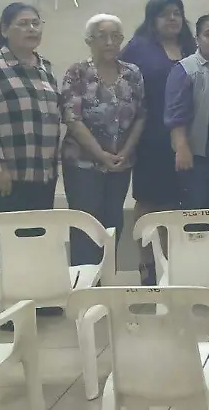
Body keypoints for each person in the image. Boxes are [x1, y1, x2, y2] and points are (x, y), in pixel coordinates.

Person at [0, 3, 62, 272]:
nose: (31, 29)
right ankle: (5, 296)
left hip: (40, 174)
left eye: (35, 23)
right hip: (3, 174)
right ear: (4, 29)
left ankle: (34, 293)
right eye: (22, 23)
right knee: (5, 245)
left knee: (36, 242)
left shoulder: (45, 68)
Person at [120, 0, 196, 284]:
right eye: (164, 14)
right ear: (152, 19)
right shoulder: (137, 49)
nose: (172, 19)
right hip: (151, 137)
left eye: (177, 13)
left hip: (189, 137)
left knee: (179, 202)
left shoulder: (191, 46)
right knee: (149, 201)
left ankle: (175, 264)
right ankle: (147, 264)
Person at [60, 14, 145, 267]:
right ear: (89, 40)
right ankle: (84, 284)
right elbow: (72, 117)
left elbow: (141, 115)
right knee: (86, 226)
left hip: (120, 163)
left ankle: (107, 279)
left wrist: (126, 151)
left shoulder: (132, 73)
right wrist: (100, 154)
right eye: (102, 36)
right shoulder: (77, 72)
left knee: (113, 223)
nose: (110, 42)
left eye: (115, 37)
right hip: (83, 164)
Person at [165, 15, 209, 210]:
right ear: (197, 38)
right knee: (200, 213)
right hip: (198, 157)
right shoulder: (185, 69)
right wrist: (181, 147)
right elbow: (176, 115)